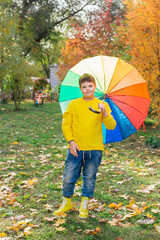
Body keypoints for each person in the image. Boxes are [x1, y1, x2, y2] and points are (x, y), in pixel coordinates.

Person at [54, 73, 116, 218]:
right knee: (69, 176)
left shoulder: (102, 105)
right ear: (80, 88)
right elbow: (66, 124)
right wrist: (71, 141)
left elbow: (111, 126)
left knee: (89, 177)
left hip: (94, 149)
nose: (87, 89)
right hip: (76, 148)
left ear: (95, 87)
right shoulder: (74, 104)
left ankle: (84, 204)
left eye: (90, 86)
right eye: (84, 87)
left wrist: (105, 112)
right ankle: (66, 202)